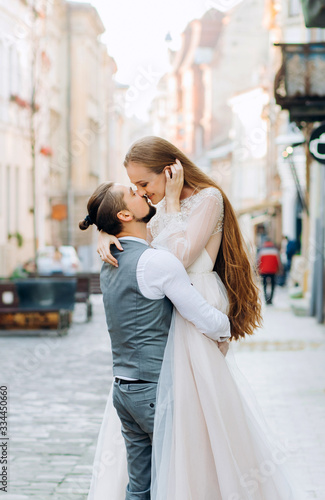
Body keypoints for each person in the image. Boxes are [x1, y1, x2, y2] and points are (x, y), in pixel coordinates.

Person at [93, 137, 300, 499]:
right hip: (167, 306)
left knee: (198, 416)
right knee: (169, 417)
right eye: (136, 188)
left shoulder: (207, 198)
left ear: (171, 170)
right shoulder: (152, 211)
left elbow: (180, 256)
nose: (142, 192)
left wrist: (171, 202)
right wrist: (106, 232)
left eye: (145, 184)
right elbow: (135, 235)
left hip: (195, 304)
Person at [80, 182, 231, 500]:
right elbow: (201, 316)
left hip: (123, 389)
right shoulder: (157, 263)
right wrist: (225, 326)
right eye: (134, 193)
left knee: (140, 487)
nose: (143, 193)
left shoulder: (109, 262)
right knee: (176, 481)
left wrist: (104, 231)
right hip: (154, 389)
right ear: (124, 213)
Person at [257, 239, 283, 305]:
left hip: (263, 270)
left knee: (265, 285)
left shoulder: (262, 250)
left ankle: (266, 299)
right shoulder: (275, 250)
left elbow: (258, 261)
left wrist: (257, 270)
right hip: (273, 270)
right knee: (273, 285)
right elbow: (279, 261)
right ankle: (271, 299)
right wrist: (280, 269)